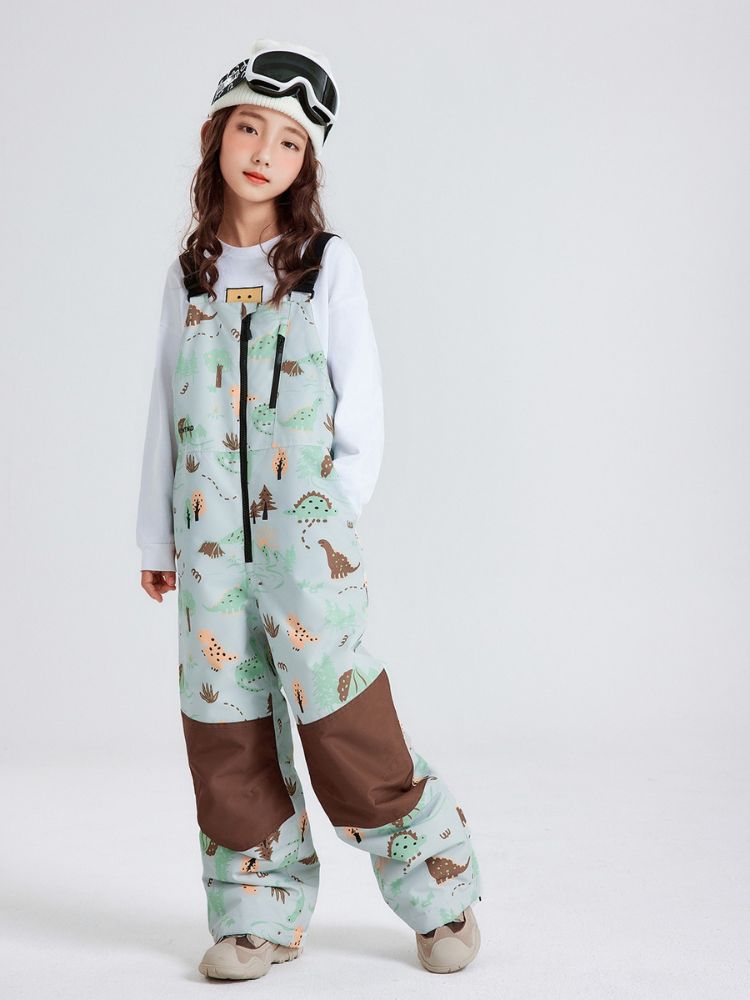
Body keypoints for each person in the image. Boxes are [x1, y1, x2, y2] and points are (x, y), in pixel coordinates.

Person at [136, 38, 483, 981]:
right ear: (217, 136)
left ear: (306, 163)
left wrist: (330, 517)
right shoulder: (191, 274)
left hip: (306, 545)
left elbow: (360, 405)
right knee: (227, 730)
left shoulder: (326, 266)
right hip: (210, 548)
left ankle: (439, 891)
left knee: (343, 723)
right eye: (249, 128)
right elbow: (165, 408)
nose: (264, 152)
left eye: (288, 141)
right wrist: (159, 535)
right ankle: (258, 913)